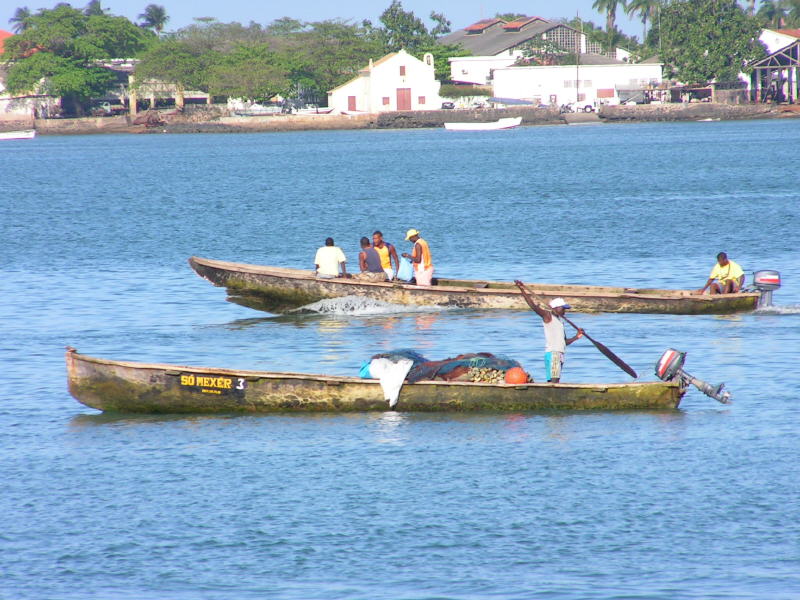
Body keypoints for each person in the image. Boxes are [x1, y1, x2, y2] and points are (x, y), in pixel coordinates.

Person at [514, 281, 583, 383]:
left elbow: (564, 342)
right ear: (556, 308)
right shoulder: (548, 316)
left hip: (559, 354)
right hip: (553, 354)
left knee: (554, 381)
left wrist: (576, 336)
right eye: (563, 309)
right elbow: (533, 307)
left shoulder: (560, 322)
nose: (565, 311)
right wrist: (522, 289)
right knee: (554, 382)